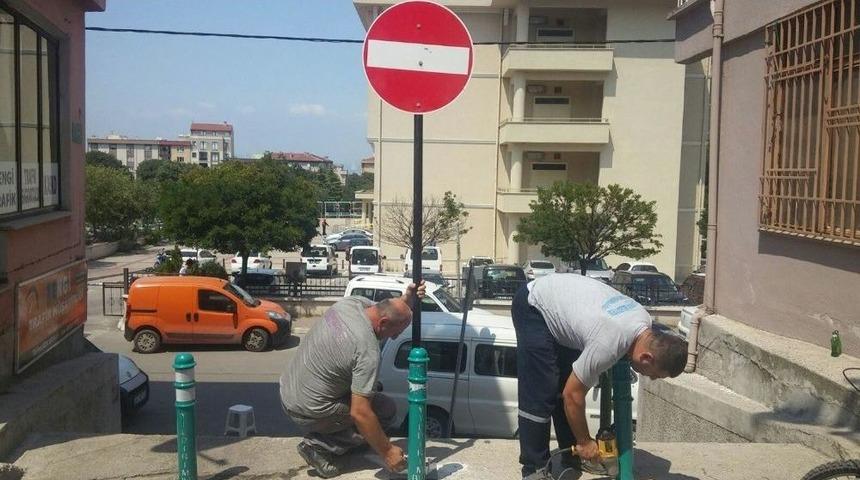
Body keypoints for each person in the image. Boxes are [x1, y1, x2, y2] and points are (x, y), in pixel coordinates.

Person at [513, 273, 687, 478]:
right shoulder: (609, 343)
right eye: (655, 375)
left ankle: (572, 455)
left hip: (562, 302)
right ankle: (534, 468)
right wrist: (586, 441)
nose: (651, 378)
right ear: (647, 358)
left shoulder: (643, 320)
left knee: (564, 382)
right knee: (541, 391)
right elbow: (573, 395)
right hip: (534, 304)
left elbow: (570, 389)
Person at [279, 281, 425, 478]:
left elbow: (386, 308)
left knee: (372, 398)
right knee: (384, 411)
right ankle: (319, 447)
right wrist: (387, 451)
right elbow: (360, 412)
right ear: (383, 324)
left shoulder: (349, 304)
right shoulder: (367, 351)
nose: (395, 336)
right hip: (309, 409)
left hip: (289, 389)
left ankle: (341, 440)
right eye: (396, 331)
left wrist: (406, 300)